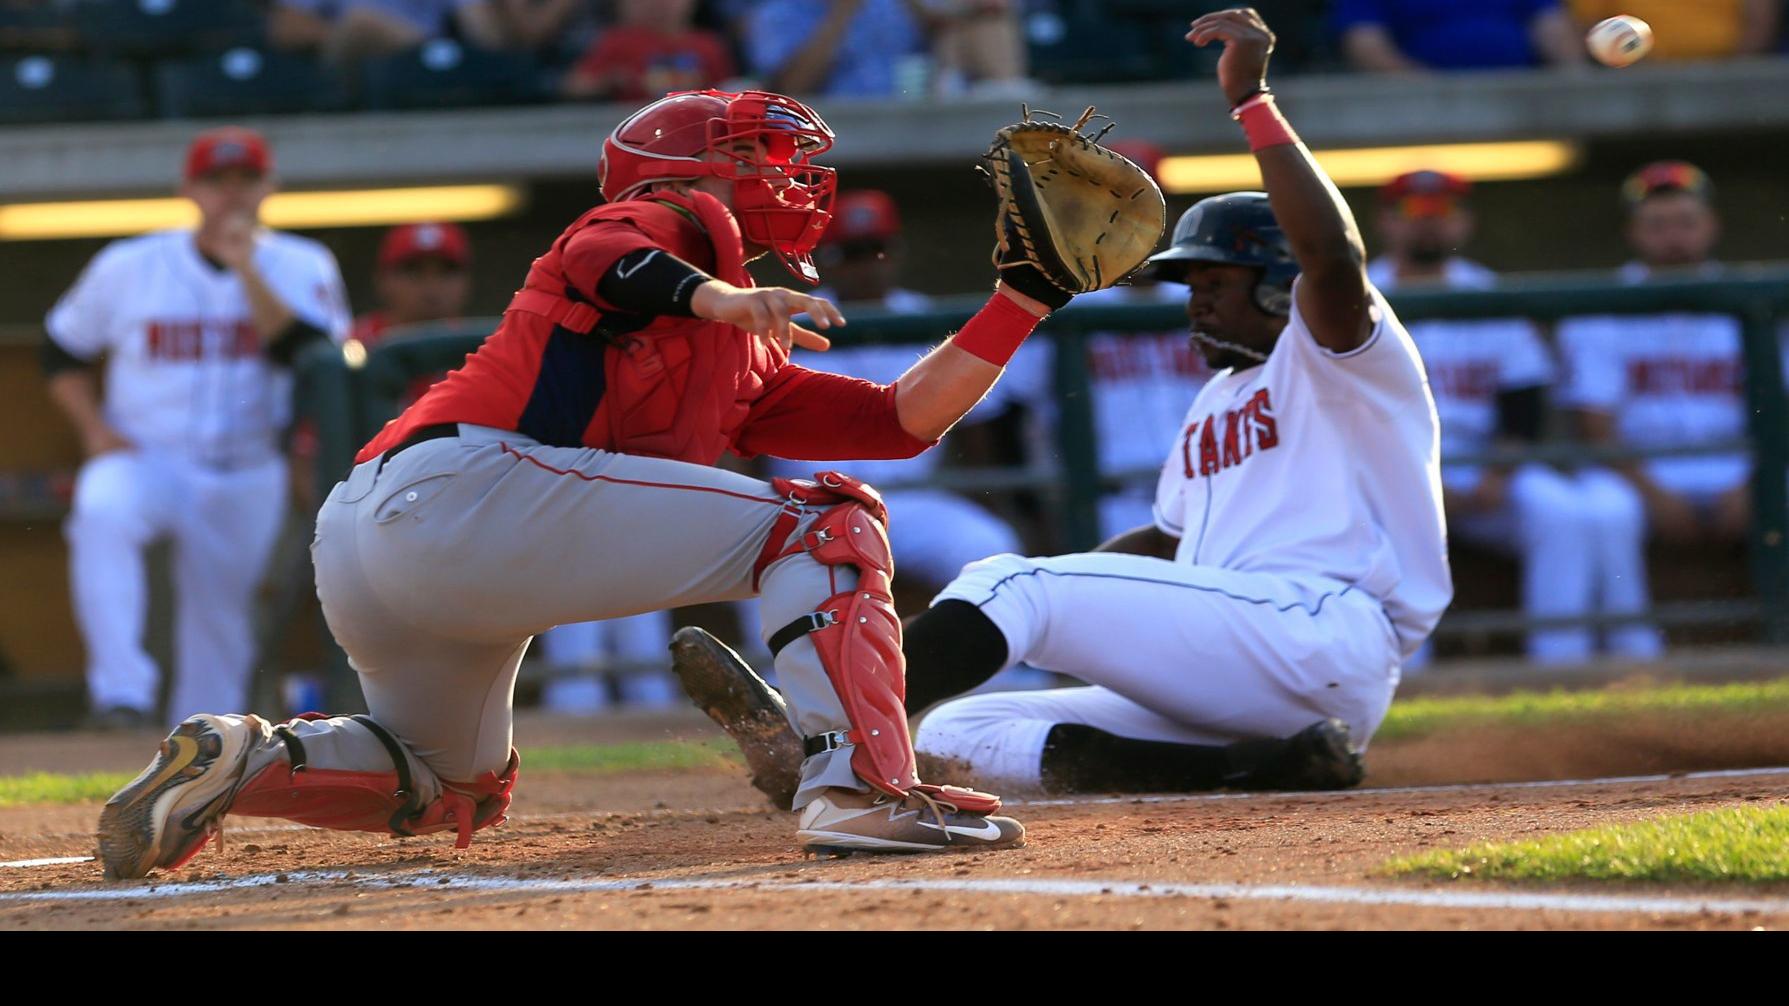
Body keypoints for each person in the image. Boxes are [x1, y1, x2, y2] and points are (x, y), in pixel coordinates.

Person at [98, 87, 1068, 879]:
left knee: (448, 786)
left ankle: (242, 757)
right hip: (464, 491)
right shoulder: (672, 221)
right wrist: (723, 294)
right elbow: (606, 254)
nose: (785, 174)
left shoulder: (742, 353)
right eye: (753, 155)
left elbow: (901, 420)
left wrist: (1019, 298)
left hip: (384, 535)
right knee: (826, 525)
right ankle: (860, 789)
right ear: (693, 176)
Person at [679, 9, 1451, 799]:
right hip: (1253, 669)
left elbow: (1330, 255)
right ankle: (1256, 769)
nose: (1195, 304)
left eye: (1216, 285)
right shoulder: (1217, 396)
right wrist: (1060, 598)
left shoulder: (1339, 356)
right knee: (958, 731)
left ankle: (811, 730)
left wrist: (1252, 100)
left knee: (1007, 581)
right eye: (1192, 286)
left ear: (1280, 288)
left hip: (1328, 631)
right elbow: (1162, 543)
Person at [45, 127, 351, 730]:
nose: (231, 195)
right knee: (102, 506)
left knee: (222, 621)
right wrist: (92, 429)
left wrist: (246, 269)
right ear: (189, 188)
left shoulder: (301, 263)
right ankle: (120, 694)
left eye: (245, 180)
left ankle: (200, 748)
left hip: (248, 466)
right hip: (147, 456)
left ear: (270, 187)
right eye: (217, 181)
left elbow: (316, 361)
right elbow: (60, 351)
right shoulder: (129, 264)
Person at [1369, 169, 1652, 663]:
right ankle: (1401, 676)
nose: (1430, 226)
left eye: (1443, 214)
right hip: (1382, 472)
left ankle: (1560, 666)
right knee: (1385, 529)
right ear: (1385, 224)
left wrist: (1500, 471)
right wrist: (1414, 479)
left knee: (1561, 512)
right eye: (1414, 214)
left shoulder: (1489, 292)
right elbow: (1344, 410)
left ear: (1465, 224)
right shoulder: (1354, 295)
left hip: (1480, 467)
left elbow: (1524, 399)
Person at [1556, 162, 1750, 644]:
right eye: (1657, 225)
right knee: (1605, 510)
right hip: (1638, 468)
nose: (1674, 237)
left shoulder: (1750, 295)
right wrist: (1653, 492)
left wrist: (1753, 482)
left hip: (1741, 463)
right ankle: (1635, 652)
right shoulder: (1602, 306)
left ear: (1712, 227)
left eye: (1686, 222)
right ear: (1634, 234)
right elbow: (1595, 426)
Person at [1334, 0, 1585, 72]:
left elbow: (1551, 26)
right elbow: (1364, 43)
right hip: (1424, 103)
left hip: (1520, 95)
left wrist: (1574, 75)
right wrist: (1428, 90)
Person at [560, 0, 734, 102]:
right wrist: (610, 80)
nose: (660, 4)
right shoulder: (617, 41)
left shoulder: (707, 45)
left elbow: (728, 90)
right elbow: (575, 86)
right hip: (632, 131)